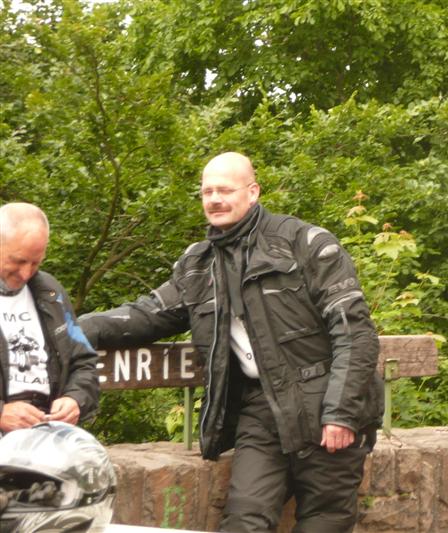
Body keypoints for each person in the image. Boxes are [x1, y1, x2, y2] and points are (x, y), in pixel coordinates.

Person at [79, 152, 383, 533]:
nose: (215, 199)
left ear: (252, 192)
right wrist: (69, 330)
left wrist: (341, 413)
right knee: (244, 518)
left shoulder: (305, 243)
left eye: (225, 190)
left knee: (325, 522)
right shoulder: (198, 265)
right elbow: (146, 314)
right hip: (261, 411)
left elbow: (355, 332)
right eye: (207, 192)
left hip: (323, 403)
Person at [0, 203, 99, 434]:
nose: (26, 273)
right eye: (18, 261)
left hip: (47, 434)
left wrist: (75, 399)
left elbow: (84, 362)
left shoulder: (51, 293)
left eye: (35, 263)